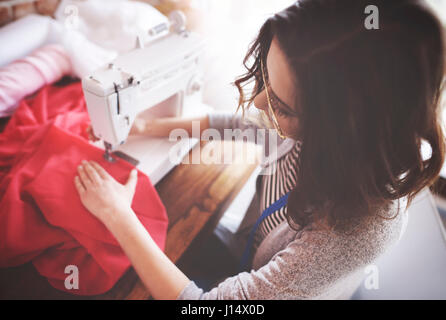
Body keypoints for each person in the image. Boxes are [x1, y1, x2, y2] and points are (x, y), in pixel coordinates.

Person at [78, 0, 445, 299]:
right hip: (248, 253)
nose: (256, 104)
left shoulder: (350, 234)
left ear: (340, 132)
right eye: (265, 82)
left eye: (281, 106)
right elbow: (244, 125)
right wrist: (146, 126)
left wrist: (118, 215)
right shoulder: (327, 137)